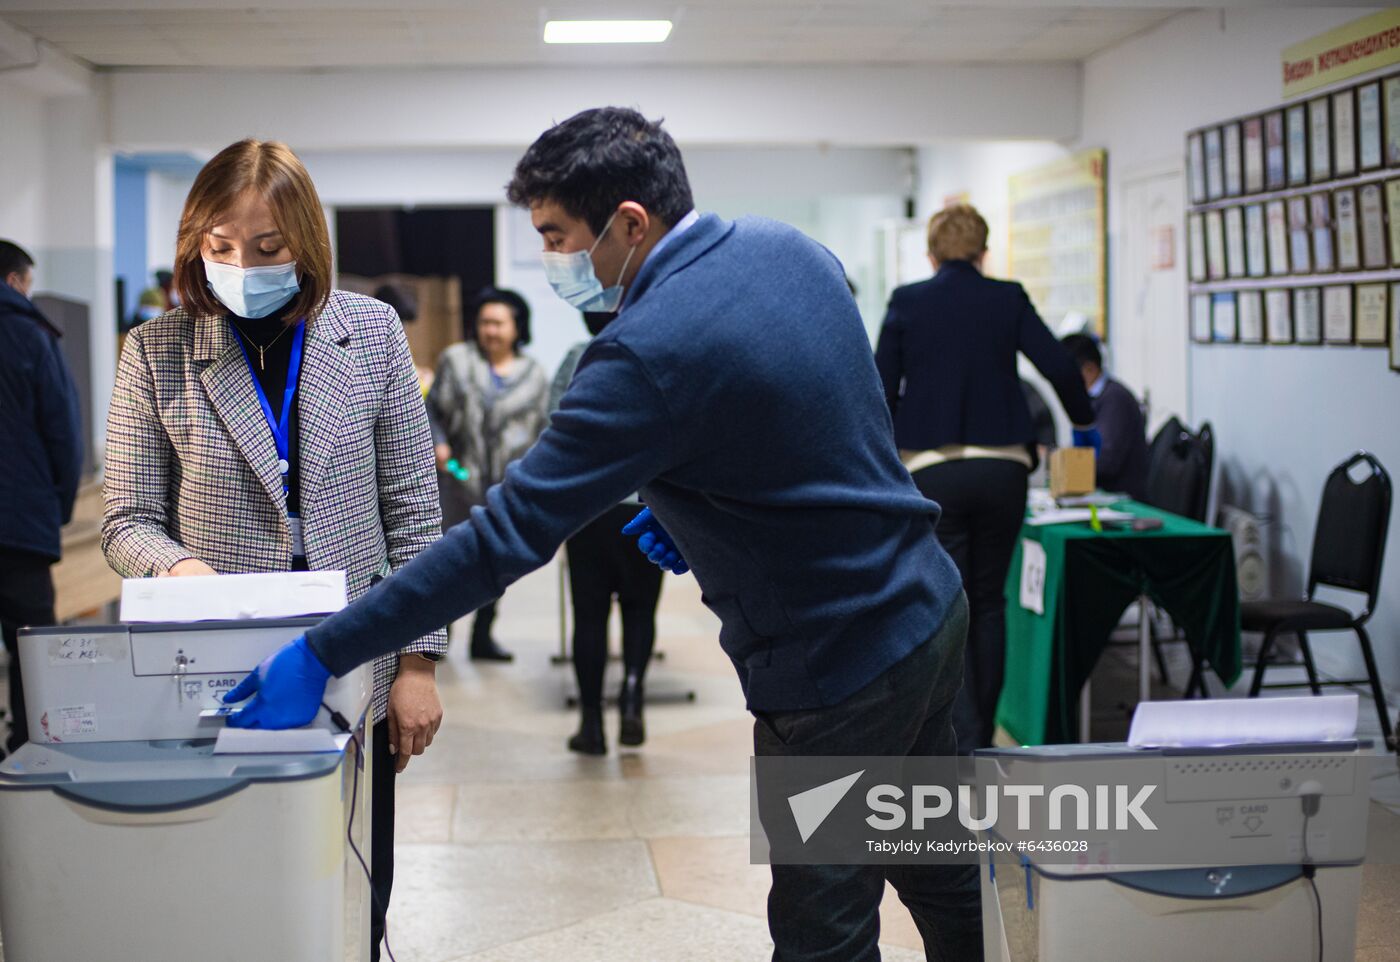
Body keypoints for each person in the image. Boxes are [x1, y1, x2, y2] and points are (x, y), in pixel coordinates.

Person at [222, 107, 983, 962]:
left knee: (824, 929)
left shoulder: (643, 354)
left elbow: (505, 534)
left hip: (840, 663)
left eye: (555, 236)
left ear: (630, 223)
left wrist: (328, 649)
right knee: (940, 867)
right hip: (929, 609)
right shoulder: (789, 248)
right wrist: (701, 506)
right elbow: (822, 414)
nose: (551, 261)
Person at [100, 139, 445, 962]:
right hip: (221, 651)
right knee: (236, 878)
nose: (242, 265)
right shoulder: (158, 351)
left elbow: (413, 511)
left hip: (355, 651)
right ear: (194, 242)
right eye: (220, 247)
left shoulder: (369, 332)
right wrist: (185, 573)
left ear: (307, 241)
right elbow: (127, 521)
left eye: (267, 248)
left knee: (357, 875)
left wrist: (421, 665)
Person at [874, 204, 1097, 753]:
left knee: (949, 603)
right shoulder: (1007, 297)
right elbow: (1062, 368)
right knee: (991, 601)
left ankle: (956, 733)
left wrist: (885, 453)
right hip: (1004, 470)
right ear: (983, 253)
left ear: (930, 255)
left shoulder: (907, 302)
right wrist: (1085, 418)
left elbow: (879, 386)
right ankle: (983, 737)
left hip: (934, 472)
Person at [550, 311, 664, 755]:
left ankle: (591, 723)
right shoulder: (653, 357)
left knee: (590, 616)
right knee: (640, 610)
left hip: (590, 511)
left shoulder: (578, 359)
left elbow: (556, 426)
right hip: (645, 509)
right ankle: (633, 694)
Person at [425, 287, 548, 662]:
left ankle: (483, 636)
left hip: (506, 491)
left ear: (516, 327)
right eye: (484, 322)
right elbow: (430, 411)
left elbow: (543, 430)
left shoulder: (533, 375)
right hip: (459, 481)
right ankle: (438, 635)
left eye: (498, 323)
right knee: (448, 562)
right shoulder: (457, 360)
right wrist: (438, 442)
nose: (490, 330)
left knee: (497, 565)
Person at [0, 240, 83, 754]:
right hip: (19, 523)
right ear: (15, 280)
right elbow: (63, 431)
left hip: (21, 515)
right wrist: (58, 507)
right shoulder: (31, 334)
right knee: (30, 647)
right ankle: (30, 752)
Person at [1061, 333, 1150, 501]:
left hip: (1121, 499)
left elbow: (1106, 462)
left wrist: (1062, 466)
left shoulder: (1115, 400)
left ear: (1089, 369)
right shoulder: (1093, 398)